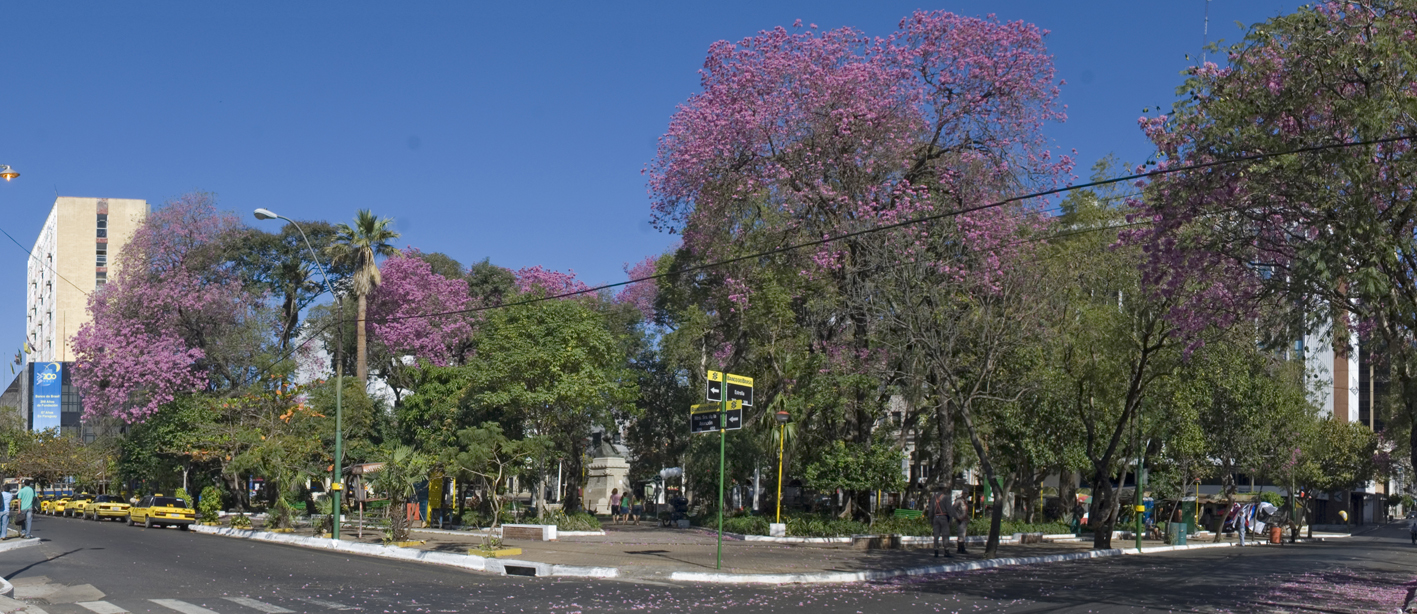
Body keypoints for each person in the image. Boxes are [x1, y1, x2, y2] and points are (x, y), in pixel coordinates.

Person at [928, 488, 953, 558]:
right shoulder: (946, 497)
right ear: (944, 489)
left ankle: (936, 551)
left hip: (935, 517)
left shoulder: (933, 498)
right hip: (943, 517)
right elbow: (949, 509)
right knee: (945, 534)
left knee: (936, 535)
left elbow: (930, 509)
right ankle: (946, 551)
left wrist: (930, 518)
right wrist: (951, 518)